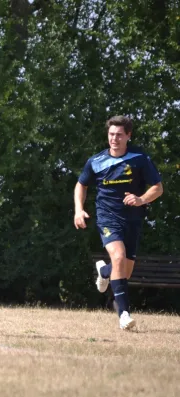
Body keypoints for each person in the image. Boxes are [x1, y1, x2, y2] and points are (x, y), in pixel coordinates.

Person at [74, 115, 163, 330]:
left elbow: (158, 188)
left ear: (128, 136)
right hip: (107, 216)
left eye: (119, 135)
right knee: (119, 257)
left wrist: (141, 199)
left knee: (124, 270)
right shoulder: (96, 161)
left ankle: (104, 271)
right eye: (111, 134)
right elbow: (81, 185)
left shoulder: (139, 158)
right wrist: (79, 210)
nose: (114, 138)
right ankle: (124, 315)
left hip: (132, 219)